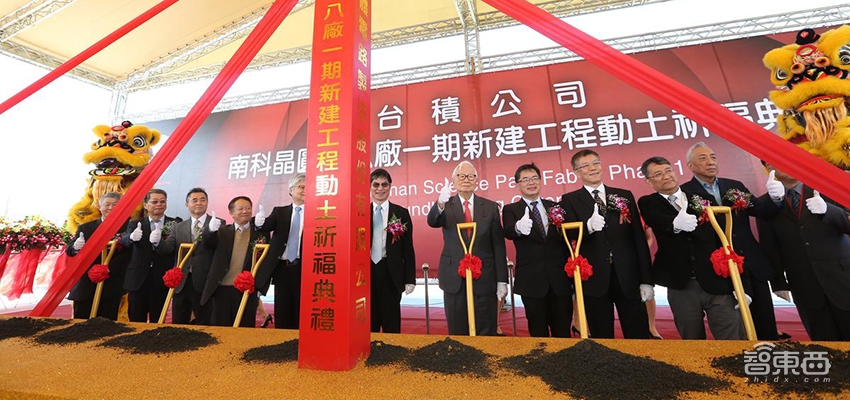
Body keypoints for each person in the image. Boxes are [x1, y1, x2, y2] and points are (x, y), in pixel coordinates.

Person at [680, 142, 783, 340]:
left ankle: (767, 357)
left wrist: (775, 198)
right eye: (703, 158)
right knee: (735, 329)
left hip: (751, 264)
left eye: (713, 157)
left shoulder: (734, 186)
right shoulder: (685, 193)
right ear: (690, 166)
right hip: (720, 270)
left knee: (765, 325)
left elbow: (760, 210)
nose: (710, 162)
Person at [637, 156, 743, 340]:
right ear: (649, 181)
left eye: (668, 171)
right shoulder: (648, 202)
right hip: (681, 283)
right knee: (692, 341)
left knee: (732, 337)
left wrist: (739, 283)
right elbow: (656, 219)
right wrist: (675, 224)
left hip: (716, 279)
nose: (666, 176)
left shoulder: (701, 197)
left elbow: (722, 236)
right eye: (658, 174)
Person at [559, 151, 653, 339]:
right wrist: (588, 227)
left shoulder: (624, 195)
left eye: (595, 163)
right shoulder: (569, 200)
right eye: (585, 165)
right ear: (577, 173)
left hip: (628, 275)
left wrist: (646, 280)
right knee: (602, 335)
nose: (592, 168)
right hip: (595, 278)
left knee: (638, 334)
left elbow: (638, 239)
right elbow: (568, 236)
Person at [756, 161, 850, 341]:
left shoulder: (826, 189)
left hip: (843, 278)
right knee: (825, 344)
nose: (787, 164)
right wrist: (778, 283)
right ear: (769, 168)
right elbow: (770, 246)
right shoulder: (766, 204)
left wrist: (828, 211)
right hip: (805, 285)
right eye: (778, 161)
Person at [427, 160, 508, 336]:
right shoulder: (446, 205)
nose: (466, 180)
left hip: (484, 276)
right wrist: (440, 203)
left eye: (471, 176)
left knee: (486, 329)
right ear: (453, 181)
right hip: (454, 277)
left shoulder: (490, 207)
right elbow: (433, 221)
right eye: (461, 176)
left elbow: (498, 245)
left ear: (477, 180)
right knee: (458, 329)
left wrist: (502, 280)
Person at [502, 163, 572, 337]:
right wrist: (518, 227)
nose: (531, 182)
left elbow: (566, 237)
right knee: (538, 331)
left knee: (563, 331)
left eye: (534, 178)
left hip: (559, 280)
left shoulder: (554, 207)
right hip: (531, 282)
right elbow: (509, 231)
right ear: (517, 185)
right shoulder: (511, 209)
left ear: (540, 181)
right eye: (525, 180)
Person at [156, 188, 224, 325]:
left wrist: (211, 231)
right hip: (182, 282)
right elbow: (168, 249)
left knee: (205, 323)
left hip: (205, 281)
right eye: (194, 200)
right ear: (187, 204)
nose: (199, 203)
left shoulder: (218, 223)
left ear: (207, 202)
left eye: (202, 200)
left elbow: (216, 246)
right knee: (179, 323)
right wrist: (157, 241)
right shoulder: (178, 226)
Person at [201, 196, 265, 327]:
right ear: (231, 213)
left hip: (246, 290)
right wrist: (210, 230)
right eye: (240, 209)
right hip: (222, 288)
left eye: (248, 208)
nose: (245, 211)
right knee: (220, 328)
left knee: (245, 328)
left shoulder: (259, 233)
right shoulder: (222, 232)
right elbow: (207, 243)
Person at [65, 192, 130, 320]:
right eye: (107, 204)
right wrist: (76, 247)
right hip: (86, 285)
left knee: (107, 324)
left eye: (115, 205)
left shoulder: (127, 227)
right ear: (100, 207)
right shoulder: (86, 228)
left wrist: (107, 268)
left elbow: (129, 253)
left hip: (111, 285)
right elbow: (69, 251)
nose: (110, 208)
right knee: (80, 323)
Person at [253, 173, 305, 329]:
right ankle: (282, 338)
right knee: (283, 308)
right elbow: (265, 226)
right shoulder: (280, 212)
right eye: (301, 187)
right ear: (291, 190)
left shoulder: (319, 214)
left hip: (304, 267)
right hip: (282, 268)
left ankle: (300, 338)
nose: (305, 190)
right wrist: (259, 222)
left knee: (301, 308)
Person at [122, 189, 182, 323]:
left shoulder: (175, 224)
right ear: (145, 205)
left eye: (162, 201)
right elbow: (124, 241)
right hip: (138, 280)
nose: (159, 204)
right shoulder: (135, 223)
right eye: (154, 202)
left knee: (158, 321)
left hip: (161, 280)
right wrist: (131, 237)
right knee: (136, 321)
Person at [369, 168, 416, 333]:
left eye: (384, 184)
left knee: (392, 324)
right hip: (366, 274)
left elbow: (408, 248)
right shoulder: (359, 213)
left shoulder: (401, 213)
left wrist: (410, 279)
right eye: (376, 184)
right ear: (370, 187)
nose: (380, 188)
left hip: (392, 275)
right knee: (369, 323)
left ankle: (392, 349)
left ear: (390, 186)